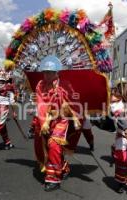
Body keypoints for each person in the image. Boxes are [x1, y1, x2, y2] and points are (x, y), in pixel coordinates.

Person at [34, 55, 80, 191]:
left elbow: (69, 105)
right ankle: (64, 167)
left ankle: (53, 178)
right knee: (46, 148)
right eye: (45, 72)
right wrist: (45, 122)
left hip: (61, 119)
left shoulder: (65, 85)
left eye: (50, 72)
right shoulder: (40, 85)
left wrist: (71, 115)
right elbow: (41, 104)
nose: (46, 75)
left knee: (54, 145)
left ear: (56, 73)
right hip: (44, 119)